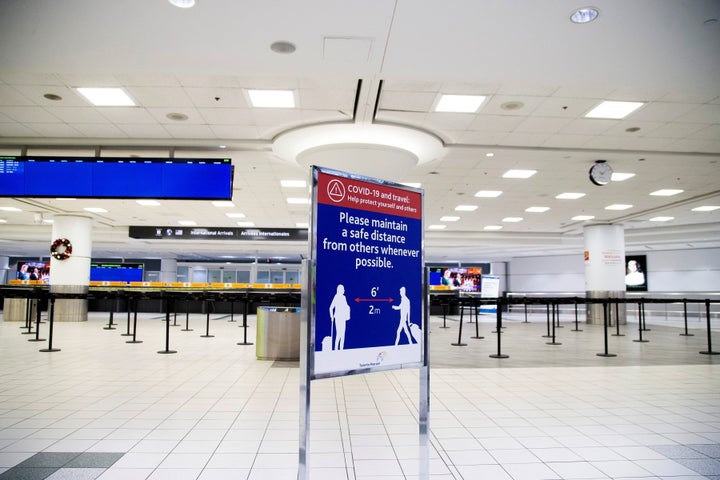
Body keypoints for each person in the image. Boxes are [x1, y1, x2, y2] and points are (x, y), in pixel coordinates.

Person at [328, 284, 350, 350]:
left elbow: (346, 306)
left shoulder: (344, 297)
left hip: (343, 317)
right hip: (338, 317)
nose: (344, 291)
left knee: (343, 334)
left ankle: (341, 350)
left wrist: (347, 310)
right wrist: (331, 316)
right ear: (340, 290)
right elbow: (331, 308)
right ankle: (335, 349)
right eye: (343, 289)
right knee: (339, 334)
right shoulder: (336, 297)